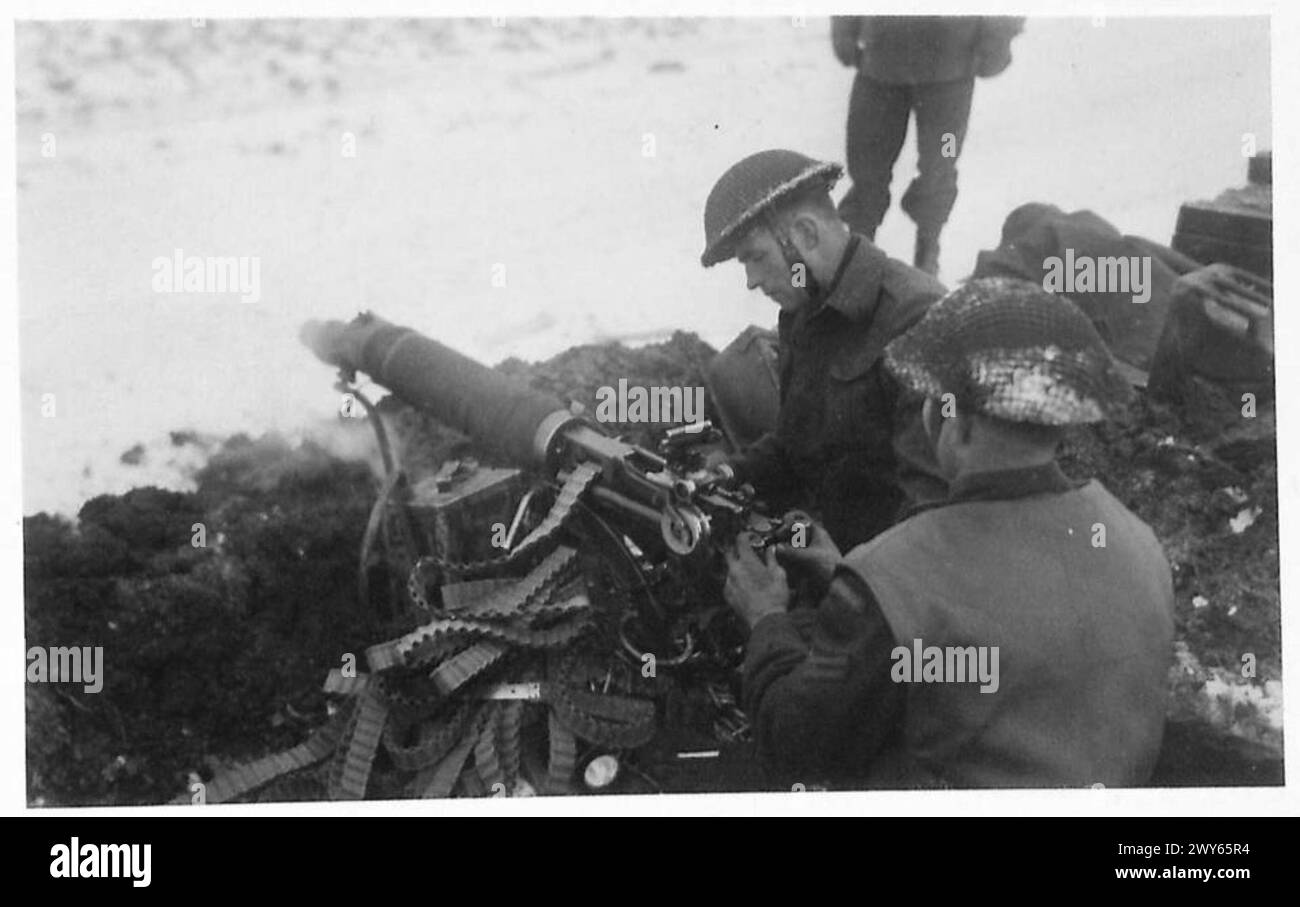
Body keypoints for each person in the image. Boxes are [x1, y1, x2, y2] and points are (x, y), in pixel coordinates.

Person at [723, 277, 1175, 788]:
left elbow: (796, 746)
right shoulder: (1137, 539)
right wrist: (846, 577)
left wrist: (765, 619)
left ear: (951, 421)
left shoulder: (897, 574)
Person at [701, 149, 947, 551]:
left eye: (757, 258)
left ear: (807, 235)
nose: (751, 281)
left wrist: (845, 578)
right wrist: (728, 473)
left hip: (897, 581)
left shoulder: (916, 319)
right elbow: (799, 445)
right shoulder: (806, 312)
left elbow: (932, 509)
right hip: (847, 557)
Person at [830, 16, 1024, 275]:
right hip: (881, 62)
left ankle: (928, 250)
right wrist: (843, 29)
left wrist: (999, 36)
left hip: (951, 69)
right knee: (867, 165)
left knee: (940, 164)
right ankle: (859, 254)